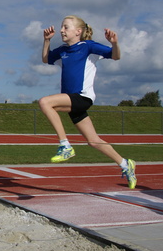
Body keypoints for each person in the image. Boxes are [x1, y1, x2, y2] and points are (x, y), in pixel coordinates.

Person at [39, 15, 137, 189]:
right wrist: (46, 41)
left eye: (65, 27)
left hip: (82, 97)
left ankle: (65, 146)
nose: (61, 30)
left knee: (45, 102)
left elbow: (115, 56)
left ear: (78, 31)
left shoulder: (88, 46)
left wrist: (114, 43)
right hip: (72, 101)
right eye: (62, 27)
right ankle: (125, 164)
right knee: (93, 141)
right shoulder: (62, 50)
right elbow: (46, 59)